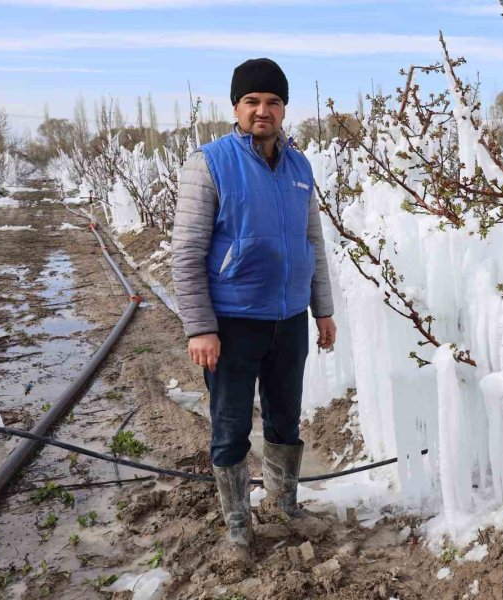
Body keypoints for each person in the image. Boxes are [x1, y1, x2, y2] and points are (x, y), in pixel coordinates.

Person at [171, 57, 336, 562]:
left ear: (283, 108)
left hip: (287, 321)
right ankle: (239, 528)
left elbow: (314, 241)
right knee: (231, 425)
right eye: (252, 101)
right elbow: (187, 251)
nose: (263, 110)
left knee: (286, 419)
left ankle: (286, 504)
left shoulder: (299, 166)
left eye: (272, 101)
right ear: (236, 107)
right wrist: (201, 327)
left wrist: (321, 309)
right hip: (232, 323)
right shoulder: (210, 162)